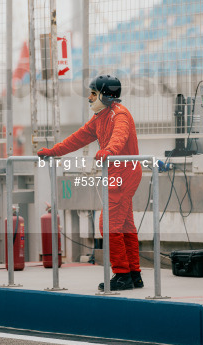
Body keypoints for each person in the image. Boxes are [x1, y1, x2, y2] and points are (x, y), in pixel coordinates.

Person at [37, 75, 143, 290]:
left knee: (109, 225)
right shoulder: (100, 117)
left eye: (93, 93)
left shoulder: (118, 115)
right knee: (124, 225)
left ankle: (122, 274)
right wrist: (54, 152)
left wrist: (109, 151)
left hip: (123, 173)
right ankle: (133, 274)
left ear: (105, 95)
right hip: (119, 172)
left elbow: (119, 136)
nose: (89, 97)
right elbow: (77, 138)